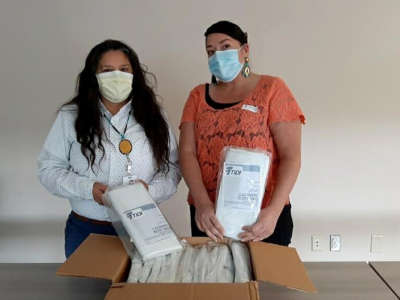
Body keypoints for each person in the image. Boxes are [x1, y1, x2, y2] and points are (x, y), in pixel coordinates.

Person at [38, 39, 180, 258]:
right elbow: (49, 169)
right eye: (107, 70)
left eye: (124, 69)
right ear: (94, 75)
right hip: (87, 230)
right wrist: (88, 189)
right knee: (87, 292)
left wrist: (151, 192)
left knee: (141, 292)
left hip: (144, 226)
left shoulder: (155, 116)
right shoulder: (70, 116)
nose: (117, 76)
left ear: (135, 74)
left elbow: (172, 169)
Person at [179, 21, 305, 246]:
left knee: (264, 279)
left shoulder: (272, 89)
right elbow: (187, 153)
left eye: (225, 47)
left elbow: (291, 157)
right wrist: (202, 203)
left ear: (245, 50)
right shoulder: (197, 96)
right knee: (215, 280)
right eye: (210, 51)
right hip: (210, 218)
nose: (218, 55)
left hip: (263, 217)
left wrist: (273, 212)